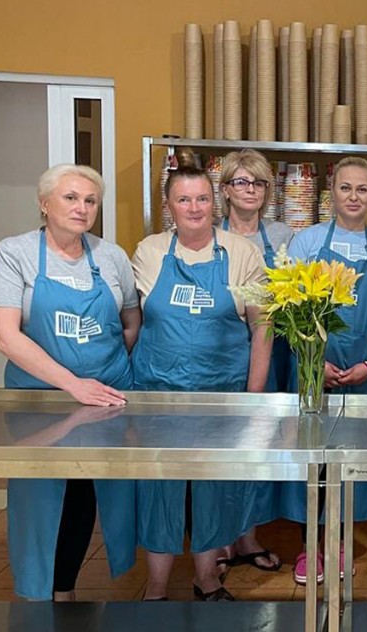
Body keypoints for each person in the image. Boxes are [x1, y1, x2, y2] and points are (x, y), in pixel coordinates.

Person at [0, 163, 141, 602]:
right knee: (40, 494)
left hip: (105, 399)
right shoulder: (14, 253)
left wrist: (105, 371)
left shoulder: (110, 256)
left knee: (85, 490)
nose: (82, 208)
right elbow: (3, 335)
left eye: (90, 200)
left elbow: (131, 321)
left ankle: (65, 590)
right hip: (39, 401)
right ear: (44, 203)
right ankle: (39, 595)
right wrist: (74, 382)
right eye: (70, 198)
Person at [130, 165, 272, 601]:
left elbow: (262, 328)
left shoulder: (242, 253)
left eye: (202, 198)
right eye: (184, 199)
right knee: (159, 487)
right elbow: (132, 321)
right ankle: (156, 585)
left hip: (221, 397)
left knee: (214, 487)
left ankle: (207, 577)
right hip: (159, 394)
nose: (194, 208)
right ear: (169, 206)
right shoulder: (150, 251)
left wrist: (253, 397)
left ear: (215, 202)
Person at [281, 156, 367, 584]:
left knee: (352, 461)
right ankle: (309, 548)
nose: (354, 197)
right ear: (331, 192)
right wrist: (314, 361)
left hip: (365, 370)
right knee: (312, 459)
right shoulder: (306, 242)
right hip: (313, 367)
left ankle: (339, 544)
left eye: (363, 189)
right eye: (345, 188)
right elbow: (292, 310)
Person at [215, 149, 294, 575]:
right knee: (223, 449)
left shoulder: (282, 235)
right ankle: (220, 538)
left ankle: (247, 534)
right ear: (225, 189)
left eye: (259, 182)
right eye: (242, 182)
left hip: (273, 351)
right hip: (223, 351)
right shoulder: (210, 234)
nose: (251, 190)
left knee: (258, 446)